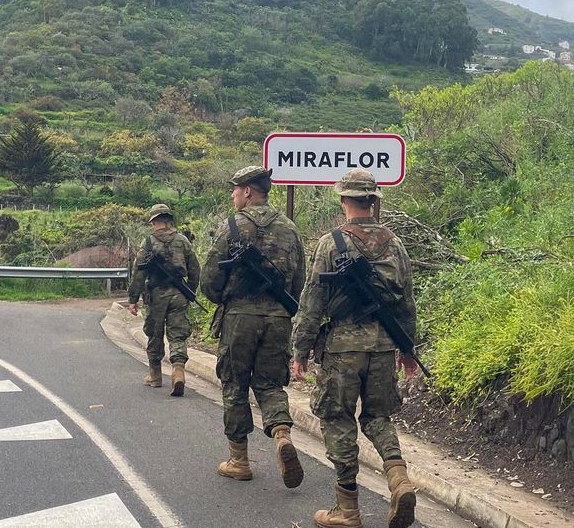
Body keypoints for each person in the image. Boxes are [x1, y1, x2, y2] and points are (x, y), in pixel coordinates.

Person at [291, 169, 420, 528]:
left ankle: (347, 509)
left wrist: (299, 350)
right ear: (373, 200)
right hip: (382, 349)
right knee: (378, 418)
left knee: (337, 418)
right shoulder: (395, 244)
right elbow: (406, 302)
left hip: (342, 350)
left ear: (343, 200)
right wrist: (407, 350)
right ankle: (399, 480)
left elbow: (312, 301)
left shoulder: (331, 244)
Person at [201, 166, 306, 488]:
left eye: (235, 189)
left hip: (239, 318)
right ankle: (281, 435)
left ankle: (239, 460)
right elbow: (299, 279)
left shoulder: (231, 227)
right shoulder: (289, 229)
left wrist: (227, 300)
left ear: (248, 191)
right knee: (270, 385)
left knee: (235, 385)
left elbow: (210, 280)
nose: (233, 195)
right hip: (277, 320)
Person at [127, 203, 200, 397]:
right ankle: (178, 371)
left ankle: (155, 375)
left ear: (155, 222)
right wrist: (190, 291)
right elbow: (195, 269)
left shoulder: (148, 243)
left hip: (157, 295)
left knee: (154, 334)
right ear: (169, 221)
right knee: (177, 334)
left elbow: (139, 273)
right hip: (179, 295)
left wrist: (133, 299)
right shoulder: (182, 240)